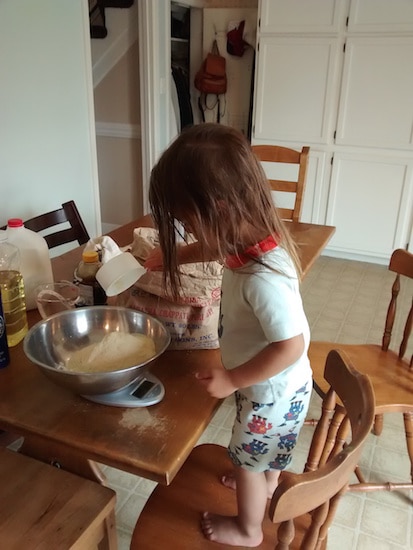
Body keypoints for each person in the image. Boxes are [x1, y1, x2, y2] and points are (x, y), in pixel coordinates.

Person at [147, 123, 312, 547]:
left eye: (188, 222)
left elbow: (290, 345)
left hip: (268, 388)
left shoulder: (263, 278)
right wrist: (176, 254)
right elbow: (212, 246)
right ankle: (267, 482)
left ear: (218, 210)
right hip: (282, 388)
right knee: (266, 454)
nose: (190, 231)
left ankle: (248, 528)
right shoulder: (248, 239)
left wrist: (234, 380)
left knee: (247, 463)